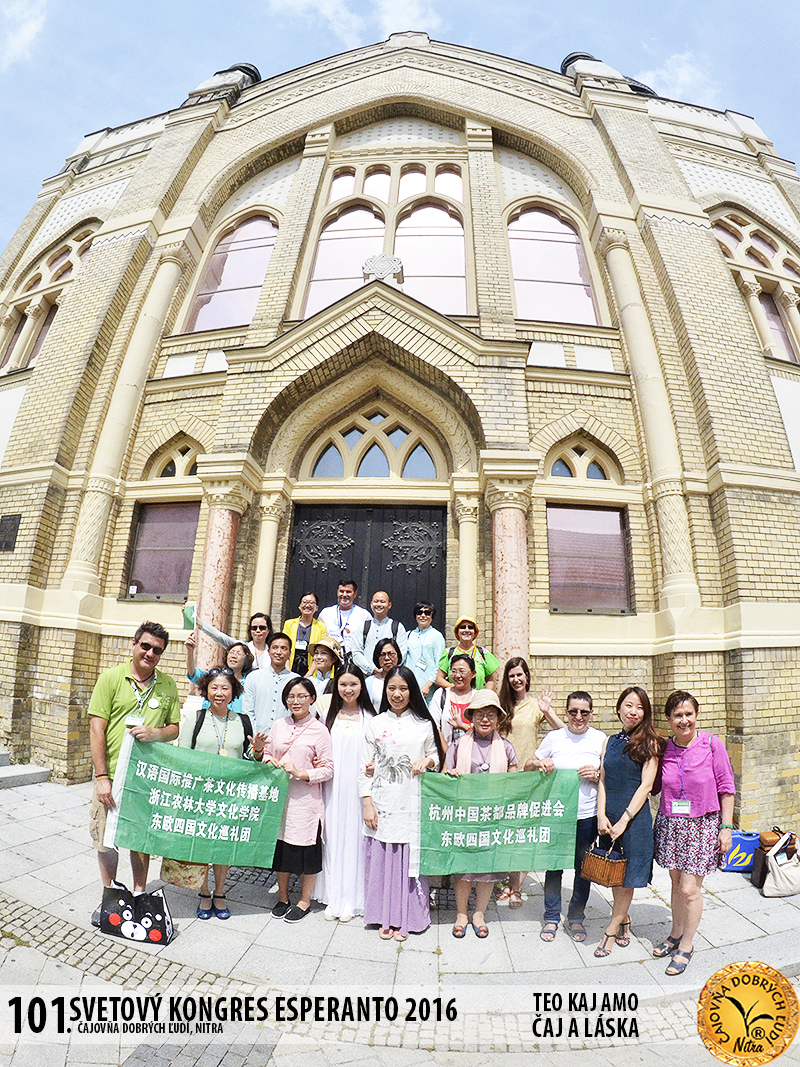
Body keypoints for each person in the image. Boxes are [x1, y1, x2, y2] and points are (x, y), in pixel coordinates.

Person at [88, 622, 180, 920]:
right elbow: (96, 728)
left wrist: (156, 732)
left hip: (145, 778)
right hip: (112, 775)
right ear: (134, 644)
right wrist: (102, 778)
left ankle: (139, 895)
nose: (150, 653)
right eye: (146, 646)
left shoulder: (167, 685)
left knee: (140, 840)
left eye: (157, 650)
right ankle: (109, 896)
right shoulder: (111, 678)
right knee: (105, 838)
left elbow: (174, 728)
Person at [651, 691, 735, 976]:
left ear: (696, 716)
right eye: (677, 715)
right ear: (669, 720)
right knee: (675, 883)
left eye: (688, 714)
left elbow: (727, 788)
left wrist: (726, 828)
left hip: (702, 824)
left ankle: (686, 944)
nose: (684, 720)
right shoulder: (664, 748)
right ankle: (675, 934)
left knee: (689, 889)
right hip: (672, 823)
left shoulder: (712, 744)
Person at [360, 665, 445, 941]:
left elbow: (437, 756)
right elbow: (364, 767)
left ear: (412, 691)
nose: (397, 694)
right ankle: (385, 916)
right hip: (383, 801)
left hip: (412, 801)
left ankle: (408, 918)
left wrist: (428, 761)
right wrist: (367, 803)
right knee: (384, 859)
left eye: (403, 688)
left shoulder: (423, 723)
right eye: (392, 688)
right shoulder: (376, 723)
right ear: (385, 691)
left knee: (409, 861)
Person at [178, 668, 261, 920]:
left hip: (230, 797)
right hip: (200, 795)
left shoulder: (243, 721)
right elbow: (183, 756)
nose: (219, 693)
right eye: (214, 687)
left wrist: (257, 751)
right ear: (206, 689)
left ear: (233, 692)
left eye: (225, 688)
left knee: (224, 846)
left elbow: (250, 760)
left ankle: (221, 892)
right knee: (202, 845)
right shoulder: (195, 718)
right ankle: (204, 892)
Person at [525, 691, 604, 942]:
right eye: (573, 711)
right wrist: (540, 763)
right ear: (566, 712)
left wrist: (597, 774)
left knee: (584, 869)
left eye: (584, 712)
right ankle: (551, 916)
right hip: (557, 814)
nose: (578, 717)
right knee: (554, 867)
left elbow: (609, 776)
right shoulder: (555, 737)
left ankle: (576, 917)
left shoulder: (600, 739)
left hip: (587, 814)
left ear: (591, 713)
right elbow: (527, 764)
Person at [253, 678, 334, 922]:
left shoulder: (320, 730)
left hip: (306, 801)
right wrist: (264, 756)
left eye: (301, 696)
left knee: (306, 851)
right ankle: (283, 897)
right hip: (280, 799)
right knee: (282, 850)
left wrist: (303, 773)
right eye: (291, 696)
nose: (295, 701)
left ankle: (305, 900)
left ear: (311, 698)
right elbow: (267, 753)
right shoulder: (279, 725)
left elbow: (329, 768)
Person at [444, 690, 518, 938]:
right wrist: (450, 775)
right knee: (465, 867)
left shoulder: (506, 748)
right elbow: (445, 773)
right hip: (464, 816)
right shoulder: (457, 744)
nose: (485, 719)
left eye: (490, 714)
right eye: (480, 714)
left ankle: (479, 914)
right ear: (471, 717)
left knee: (487, 868)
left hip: (493, 818)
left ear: (498, 719)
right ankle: (461, 913)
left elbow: (516, 782)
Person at [594, 686, 661, 958]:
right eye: (629, 705)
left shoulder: (650, 742)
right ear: (619, 707)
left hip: (633, 821)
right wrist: (601, 814)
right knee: (613, 874)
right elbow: (602, 779)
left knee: (627, 878)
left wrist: (624, 820)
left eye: (639, 707)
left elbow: (646, 786)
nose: (633, 712)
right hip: (608, 817)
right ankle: (624, 919)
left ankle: (610, 929)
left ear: (645, 713)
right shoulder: (609, 741)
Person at [498, 660, 567, 908]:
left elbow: (563, 731)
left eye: (520, 675)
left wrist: (547, 710)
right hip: (505, 774)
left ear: (527, 677)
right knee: (508, 832)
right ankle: (510, 882)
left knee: (523, 833)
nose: (516, 679)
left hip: (530, 776)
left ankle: (515, 888)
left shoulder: (536, 705)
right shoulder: (501, 705)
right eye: (512, 675)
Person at [316, 664, 376, 921]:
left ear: (361, 686)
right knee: (332, 835)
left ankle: (352, 899)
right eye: (343, 684)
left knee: (355, 839)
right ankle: (333, 896)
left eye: (353, 684)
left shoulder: (371, 719)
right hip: (332, 786)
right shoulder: (328, 716)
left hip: (359, 788)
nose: (348, 689)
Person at [241, 632, 299, 735]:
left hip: (286, 739)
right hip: (257, 738)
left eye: (283, 648)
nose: (278, 652)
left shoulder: (296, 681)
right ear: (269, 651)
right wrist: (256, 736)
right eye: (275, 648)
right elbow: (247, 711)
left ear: (290, 653)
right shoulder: (254, 677)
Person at [185, 632, 253, 713]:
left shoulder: (249, 683)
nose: (233, 656)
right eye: (231, 652)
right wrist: (190, 651)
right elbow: (192, 673)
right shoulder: (214, 676)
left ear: (246, 658)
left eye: (238, 653)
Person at [352, 590, 408, 676]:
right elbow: (356, 652)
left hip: (391, 676)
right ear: (371, 604)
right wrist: (371, 669)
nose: (379, 604)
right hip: (366, 676)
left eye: (382, 602)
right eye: (376, 601)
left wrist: (388, 669)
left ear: (389, 605)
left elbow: (402, 653)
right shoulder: (363, 627)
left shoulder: (397, 627)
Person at [435, 616, 499, 691]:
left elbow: (490, 680)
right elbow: (439, 679)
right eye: (463, 627)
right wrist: (455, 687)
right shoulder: (449, 653)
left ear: (475, 632)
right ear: (457, 631)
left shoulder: (483, 653)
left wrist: (485, 695)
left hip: (477, 699)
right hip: (455, 698)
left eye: (470, 627)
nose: (466, 630)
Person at [199, 611, 273, 670]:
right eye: (254, 628)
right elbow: (218, 636)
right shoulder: (242, 647)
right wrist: (199, 623)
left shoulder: (273, 651)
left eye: (262, 628)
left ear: (268, 630)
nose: (258, 631)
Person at [318, 580, 372, 658]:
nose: (344, 594)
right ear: (337, 592)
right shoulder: (326, 613)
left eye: (348, 592)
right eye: (341, 591)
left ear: (355, 594)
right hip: (330, 659)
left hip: (353, 661)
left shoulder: (364, 615)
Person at [430, 653, 476, 743]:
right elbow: (434, 726)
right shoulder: (441, 694)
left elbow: (483, 730)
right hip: (445, 752)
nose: (457, 675)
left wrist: (463, 726)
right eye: (454, 671)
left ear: (473, 674)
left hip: (473, 754)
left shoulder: (478, 697)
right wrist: (447, 752)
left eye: (462, 671)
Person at [406, 601, 445, 704]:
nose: (423, 615)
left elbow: (439, 663)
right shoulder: (409, 635)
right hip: (410, 685)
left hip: (428, 688)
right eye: (420, 612)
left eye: (427, 613)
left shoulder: (437, 636)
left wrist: (428, 685)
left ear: (432, 616)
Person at [282, 593, 327, 676]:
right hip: (290, 666)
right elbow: (284, 648)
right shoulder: (289, 624)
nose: (307, 605)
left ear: (316, 607)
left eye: (311, 603)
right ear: (299, 606)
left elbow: (320, 652)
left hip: (310, 669)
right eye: (304, 602)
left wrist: (307, 676)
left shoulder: (321, 627)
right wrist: (288, 673)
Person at [365, 637, 402, 711]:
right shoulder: (369, 682)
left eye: (391, 654)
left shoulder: (407, 678)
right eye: (382, 655)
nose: (387, 658)